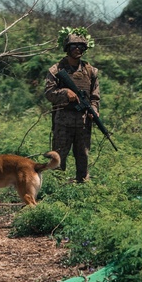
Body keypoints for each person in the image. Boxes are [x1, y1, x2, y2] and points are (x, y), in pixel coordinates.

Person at [44, 29, 100, 183]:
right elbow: (49, 93)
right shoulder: (56, 70)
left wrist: (94, 110)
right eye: (74, 46)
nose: (77, 49)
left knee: (83, 156)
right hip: (63, 122)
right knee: (59, 156)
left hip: (83, 122)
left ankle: (82, 187)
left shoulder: (91, 71)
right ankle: (56, 189)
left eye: (81, 46)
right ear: (67, 48)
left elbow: (95, 97)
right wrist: (65, 93)